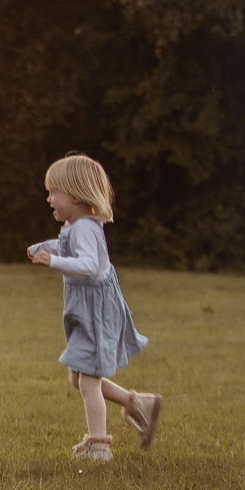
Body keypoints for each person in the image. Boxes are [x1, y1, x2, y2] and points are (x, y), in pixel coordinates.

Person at [26, 153, 161, 462]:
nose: (49, 199)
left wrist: (54, 261)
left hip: (96, 311)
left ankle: (99, 445)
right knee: (78, 378)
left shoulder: (87, 227)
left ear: (74, 194)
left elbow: (88, 264)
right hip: (84, 308)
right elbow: (67, 247)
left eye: (53, 192)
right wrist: (45, 248)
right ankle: (138, 404)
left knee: (88, 381)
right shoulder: (76, 225)